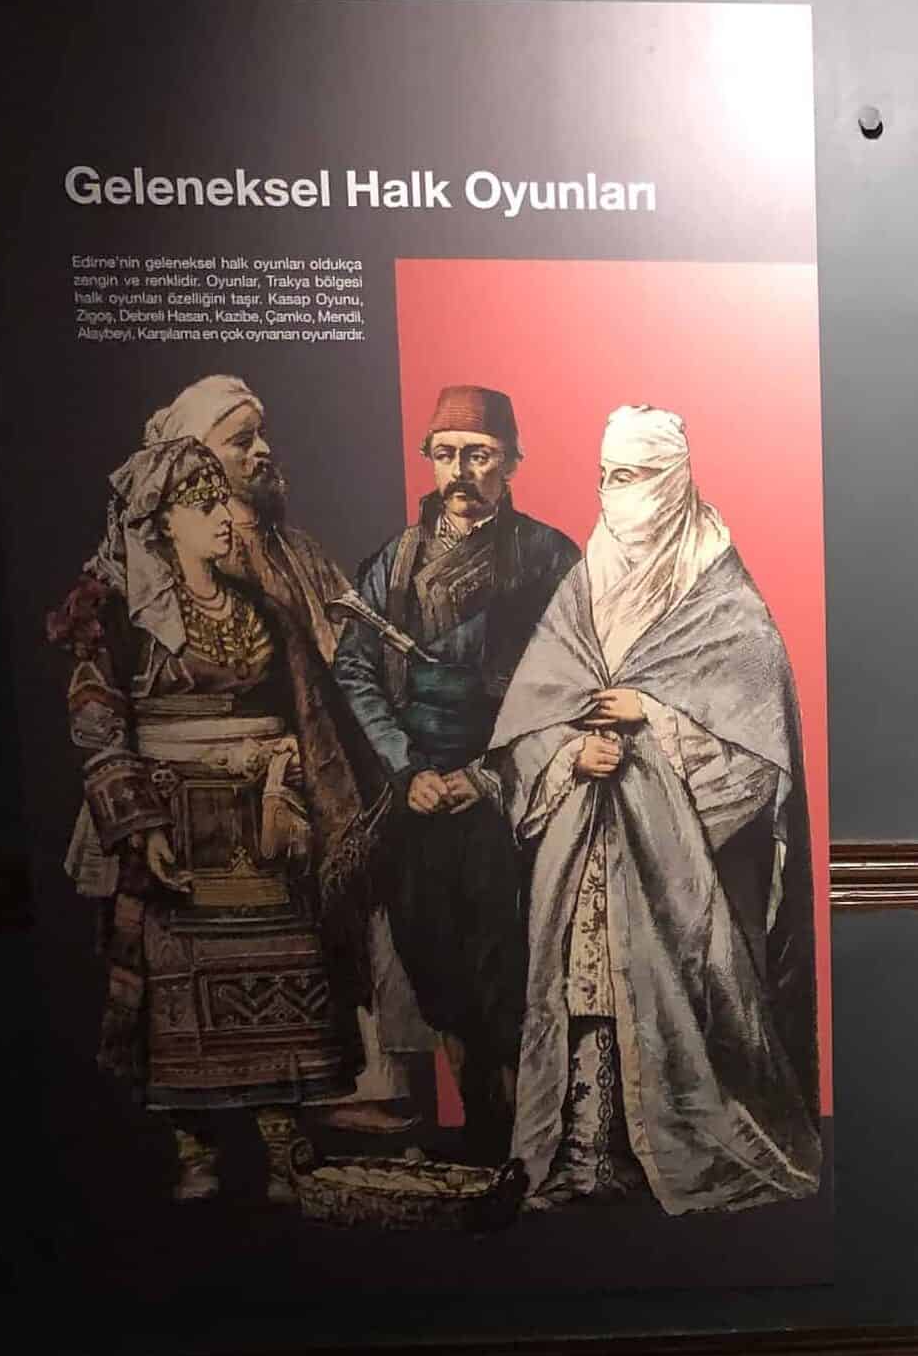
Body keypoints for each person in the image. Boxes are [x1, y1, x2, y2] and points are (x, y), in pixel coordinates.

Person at [488, 404, 820, 1213]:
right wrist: (573, 751)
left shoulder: (723, 600)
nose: (612, 494)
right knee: (582, 983)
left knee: (666, 984)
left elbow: (757, 751)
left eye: (631, 476)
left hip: (683, 856)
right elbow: (527, 721)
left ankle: (662, 1147)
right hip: (583, 836)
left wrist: (652, 718)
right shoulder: (585, 585)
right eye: (604, 476)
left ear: (672, 483)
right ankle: (582, 1146)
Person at [46, 440, 385, 1203]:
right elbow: (98, 723)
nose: (224, 520)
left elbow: (304, 710)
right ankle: (194, 1149)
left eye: (222, 503)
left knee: (288, 972)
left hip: (268, 825)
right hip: (176, 829)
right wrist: (141, 829)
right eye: (203, 507)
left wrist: (297, 777)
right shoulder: (120, 619)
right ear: (162, 522)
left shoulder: (261, 609)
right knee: (176, 986)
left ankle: (280, 1143)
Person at [123, 374, 423, 1134]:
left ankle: (359, 1083)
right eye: (240, 440)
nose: (263, 452)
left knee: (356, 910)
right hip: (209, 804)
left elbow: (345, 656)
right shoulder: (149, 589)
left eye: (263, 436)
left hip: (318, 771)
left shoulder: (296, 551)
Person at [332, 386, 579, 1160]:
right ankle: (459, 1100)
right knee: (421, 939)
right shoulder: (393, 562)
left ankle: (515, 1117)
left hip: (509, 784)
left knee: (505, 952)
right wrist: (407, 771)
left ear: (511, 463)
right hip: (417, 789)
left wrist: (490, 774)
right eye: (446, 454)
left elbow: (571, 678)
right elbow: (356, 671)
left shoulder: (549, 556)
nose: (461, 471)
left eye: (479, 454)